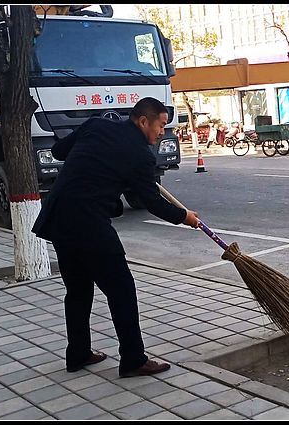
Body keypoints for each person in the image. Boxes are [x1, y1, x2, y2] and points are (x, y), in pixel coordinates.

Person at [33, 97, 201, 377]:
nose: (162, 132)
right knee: (122, 291)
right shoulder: (140, 155)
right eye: (160, 125)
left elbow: (59, 151)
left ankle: (78, 354)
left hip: (59, 218)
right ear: (143, 121)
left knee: (78, 291)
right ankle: (133, 360)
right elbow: (152, 202)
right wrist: (185, 217)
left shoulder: (96, 125)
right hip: (89, 224)